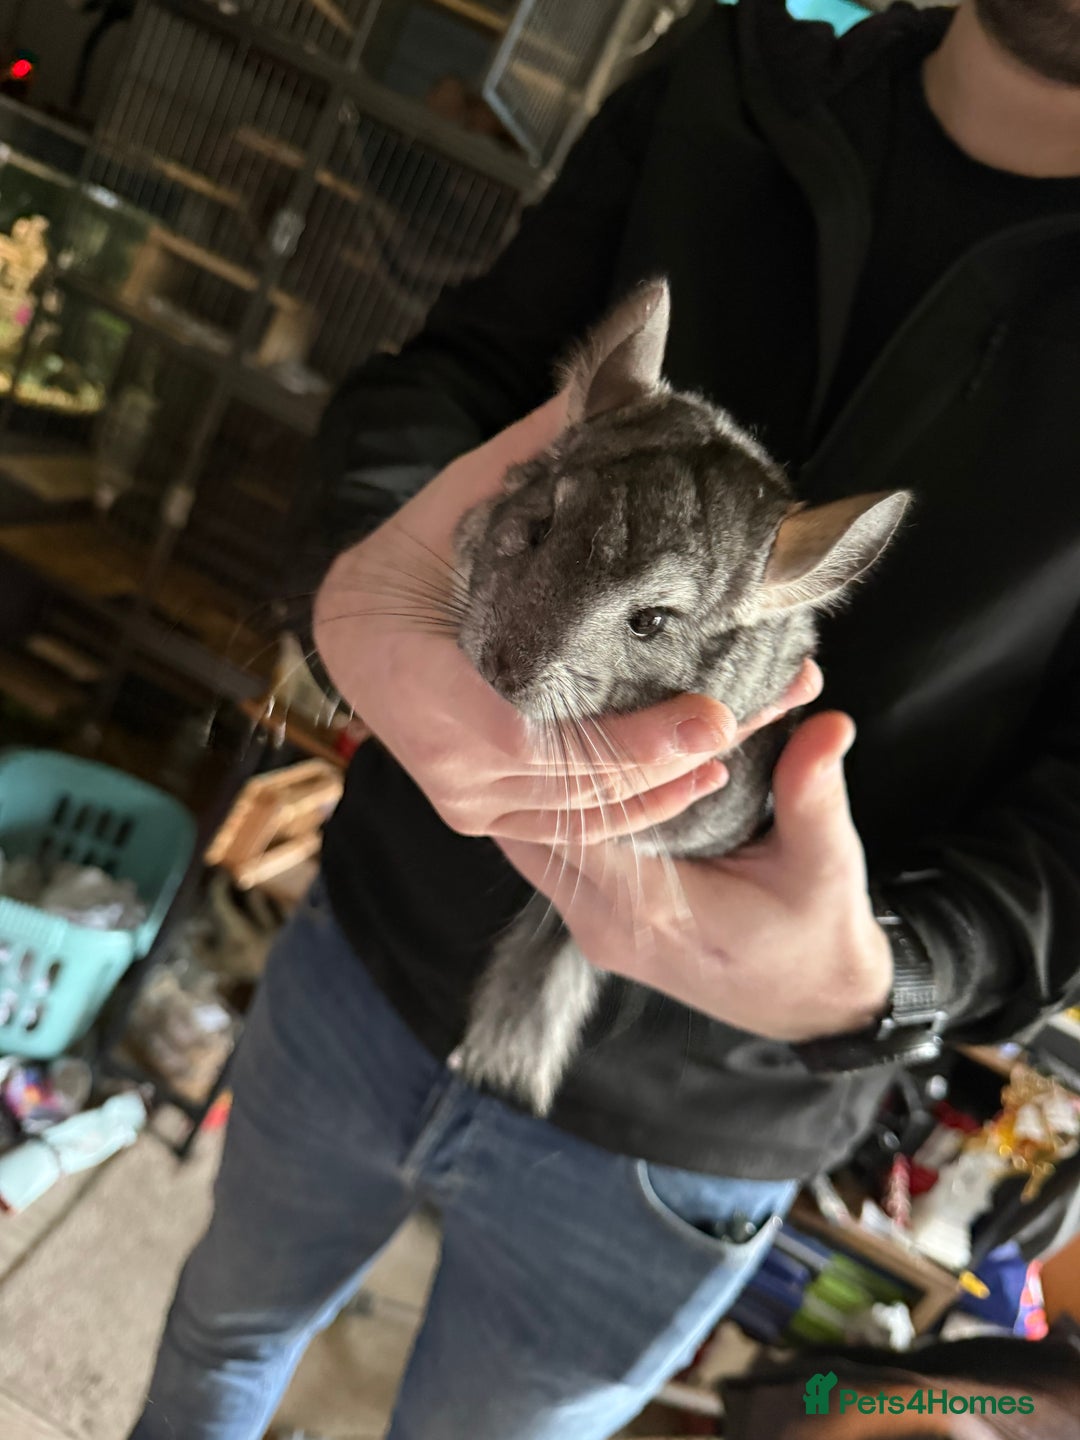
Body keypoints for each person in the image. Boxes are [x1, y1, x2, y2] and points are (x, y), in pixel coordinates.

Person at [128, 2, 1080, 1437]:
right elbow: (463, 376)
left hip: (706, 1124)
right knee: (218, 1335)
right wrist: (359, 587)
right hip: (378, 954)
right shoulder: (731, 73)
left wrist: (880, 975)